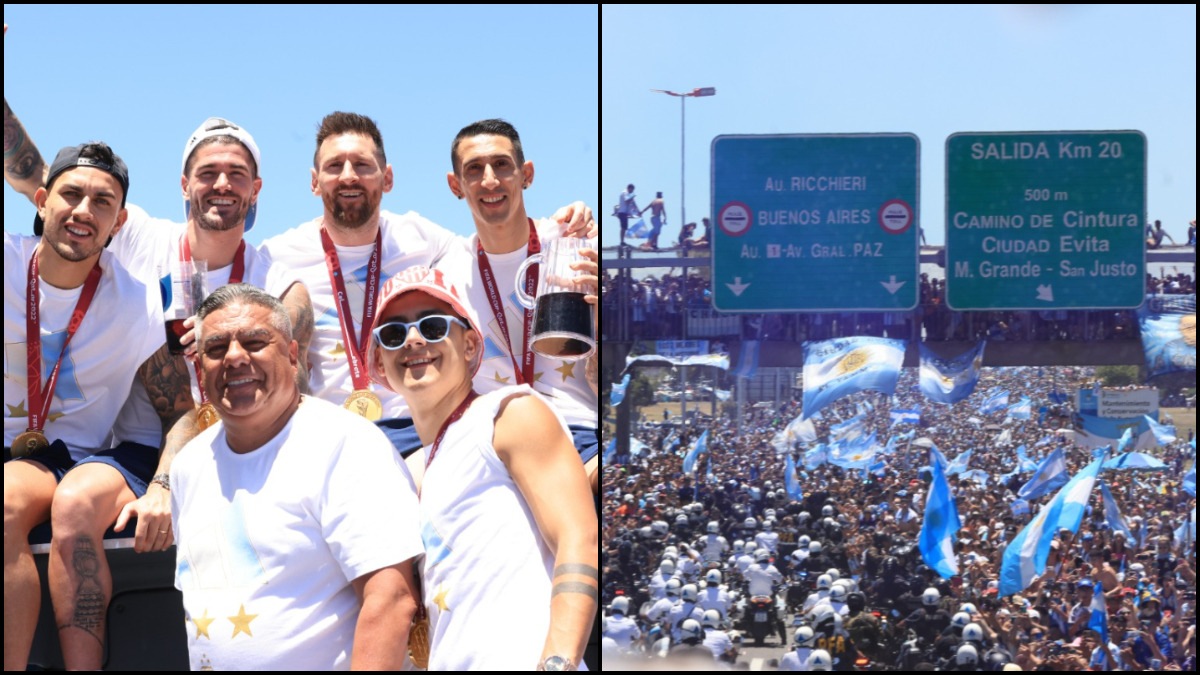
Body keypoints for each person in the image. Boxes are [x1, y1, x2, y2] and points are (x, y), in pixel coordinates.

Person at [2, 105, 314, 550]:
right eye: (208, 173)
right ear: (185, 185)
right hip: (140, 449)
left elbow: (293, 390)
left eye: (236, 174)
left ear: (256, 189)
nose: (222, 184)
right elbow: (37, 175)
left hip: (242, 446)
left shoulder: (281, 286)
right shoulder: (134, 234)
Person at [260, 112, 592, 458]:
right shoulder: (278, 256)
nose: (348, 177)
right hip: (333, 436)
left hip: (420, 434)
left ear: (387, 178)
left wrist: (575, 227)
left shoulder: (425, 242)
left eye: (362, 164)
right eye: (334, 166)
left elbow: (502, 239)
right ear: (315, 182)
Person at [4, 143, 189, 671]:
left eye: (102, 202)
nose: (84, 210)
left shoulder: (138, 305)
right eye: (71, 194)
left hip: (69, 458)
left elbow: (179, 411)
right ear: (41, 201)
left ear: (119, 222)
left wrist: (164, 484)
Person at [172, 283, 421, 669]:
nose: (234, 358)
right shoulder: (188, 467)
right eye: (216, 348)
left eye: (255, 342)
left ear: (292, 356)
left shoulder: (345, 445)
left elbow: (391, 598)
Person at [366, 265, 597, 670]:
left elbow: (577, 537)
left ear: (471, 345)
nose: (415, 339)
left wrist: (558, 662)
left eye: (434, 325)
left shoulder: (509, 415)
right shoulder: (413, 471)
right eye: (393, 333)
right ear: (380, 365)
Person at [437, 118, 599, 493]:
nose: (490, 180)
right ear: (455, 186)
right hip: (491, 442)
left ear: (526, 174)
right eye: (474, 170)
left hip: (576, 432)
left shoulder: (573, 246)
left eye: (502, 165)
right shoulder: (446, 272)